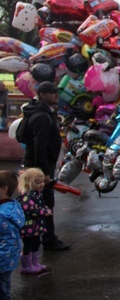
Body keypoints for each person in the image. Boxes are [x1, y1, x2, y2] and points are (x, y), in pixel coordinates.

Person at [20, 81, 69, 250]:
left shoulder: (39, 111)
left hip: (36, 164)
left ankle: (43, 238)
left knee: (38, 202)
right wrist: (44, 172)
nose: (56, 95)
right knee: (45, 202)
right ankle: (47, 239)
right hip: (39, 166)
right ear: (42, 95)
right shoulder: (41, 116)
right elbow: (39, 145)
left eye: (56, 92)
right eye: (52, 92)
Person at [17, 168, 50, 274]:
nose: (41, 184)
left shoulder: (37, 194)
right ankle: (26, 265)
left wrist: (45, 209)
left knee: (36, 243)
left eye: (42, 182)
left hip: (36, 226)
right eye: (37, 182)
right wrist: (44, 212)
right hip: (28, 227)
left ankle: (34, 262)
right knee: (28, 244)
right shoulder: (27, 196)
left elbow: (39, 205)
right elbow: (29, 209)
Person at [0, 170, 25, 300]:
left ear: (4, 189)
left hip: (1, 258)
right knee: (4, 286)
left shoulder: (2, 215)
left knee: (1, 292)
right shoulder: (13, 205)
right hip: (9, 258)